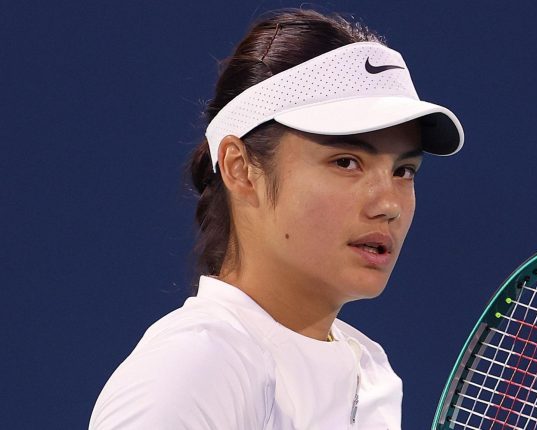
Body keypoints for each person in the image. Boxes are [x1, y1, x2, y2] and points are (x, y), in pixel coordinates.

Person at [89, 8, 463, 430]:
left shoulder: (373, 375)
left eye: (404, 171)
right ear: (240, 168)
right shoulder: (191, 370)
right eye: (346, 162)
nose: (389, 204)